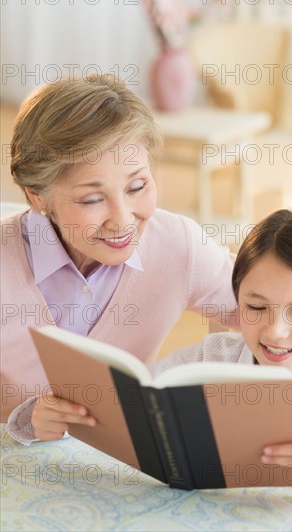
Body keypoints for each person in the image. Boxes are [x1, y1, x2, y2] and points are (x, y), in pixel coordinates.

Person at [8, 207, 292, 493]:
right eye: (255, 307)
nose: (274, 330)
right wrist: (40, 417)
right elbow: (124, 397)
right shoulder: (212, 357)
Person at [1, 74, 239, 421]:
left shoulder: (177, 246)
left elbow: (276, 309)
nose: (122, 220)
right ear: (37, 197)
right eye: (93, 199)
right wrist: (22, 421)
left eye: (137, 186)